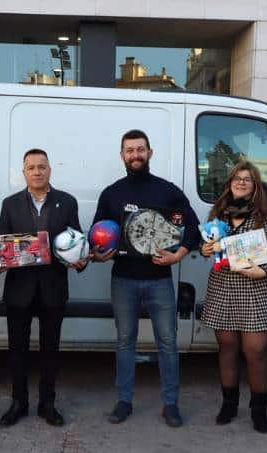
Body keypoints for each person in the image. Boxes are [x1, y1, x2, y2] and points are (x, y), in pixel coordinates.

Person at [92, 129, 201, 428]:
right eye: (130, 150)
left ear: (150, 153)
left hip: (160, 279)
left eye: (140, 149)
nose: (135, 155)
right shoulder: (111, 193)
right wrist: (99, 252)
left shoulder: (168, 191)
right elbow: (98, 233)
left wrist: (178, 255)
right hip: (123, 279)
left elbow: (193, 228)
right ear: (122, 155)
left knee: (167, 343)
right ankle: (124, 400)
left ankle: (171, 404)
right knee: (125, 341)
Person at [0, 148, 86, 427]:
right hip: (19, 290)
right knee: (17, 350)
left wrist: (79, 261)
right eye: (31, 167)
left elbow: (76, 241)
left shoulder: (67, 202)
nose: (37, 172)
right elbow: (2, 243)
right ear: (24, 172)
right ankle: (18, 403)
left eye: (42, 166)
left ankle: (47, 404)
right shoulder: (10, 204)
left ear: (50, 170)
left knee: (50, 350)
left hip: (53, 288)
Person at [200, 161, 267, 433]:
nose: (242, 182)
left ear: (255, 185)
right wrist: (205, 249)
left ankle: (259, 409)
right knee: (227, 350)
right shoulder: (218, 215)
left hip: (255, 290)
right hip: (223, 288)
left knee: (255, 351)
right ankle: (229, 404)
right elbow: (210, 247)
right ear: (230, 183)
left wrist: (263, 270)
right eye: (237, 178)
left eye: (248, 179)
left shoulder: (265, 216)